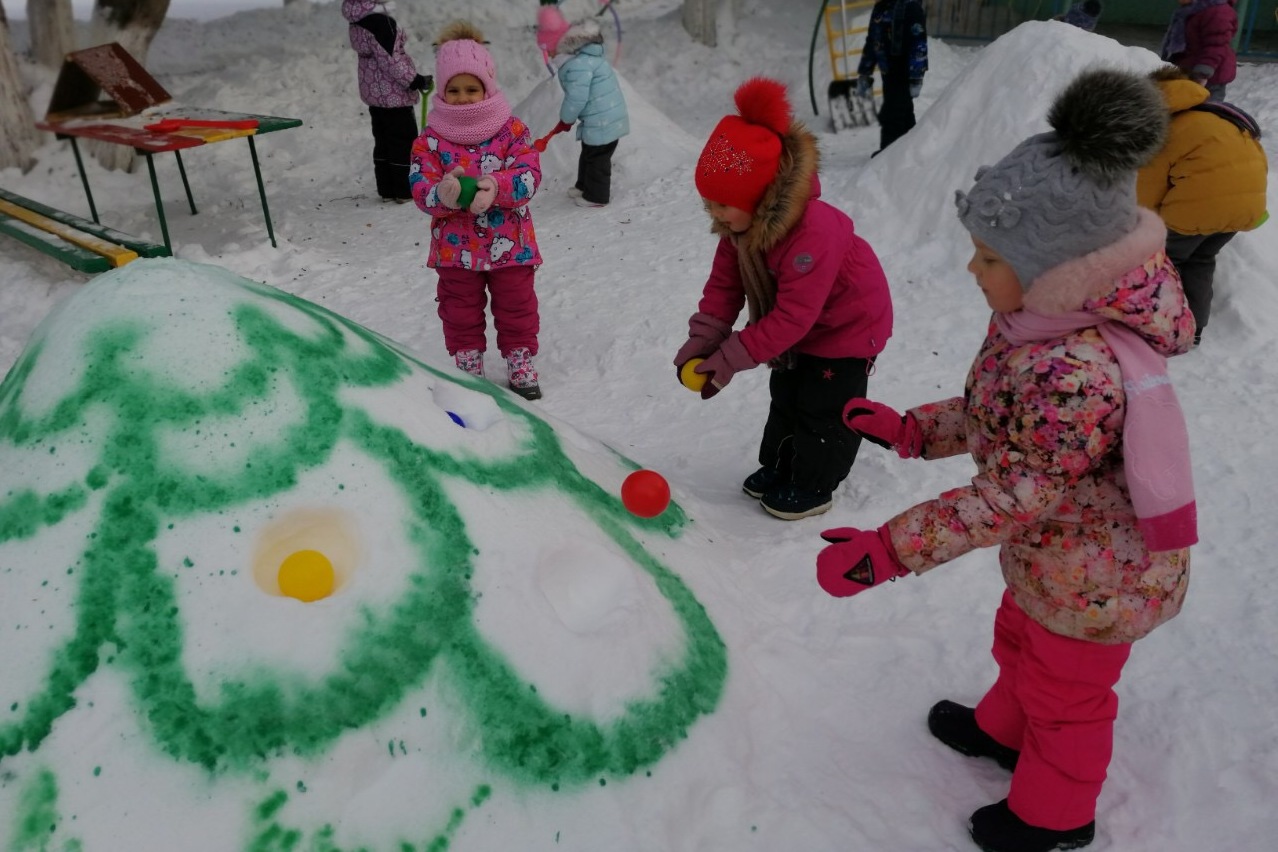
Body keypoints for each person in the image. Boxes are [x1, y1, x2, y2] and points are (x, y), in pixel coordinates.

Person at [815, 69, 1196, 852]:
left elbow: (1009, 494)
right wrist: (914, 430)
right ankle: (1003, 730)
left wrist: (888, 550)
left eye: (989, 256)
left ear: (1061, 270)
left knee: (1068, 699)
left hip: (1100, 578)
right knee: (1018, 640)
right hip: (1058, 561)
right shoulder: (1039, 328)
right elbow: (1003, 420)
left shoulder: (1077, 369)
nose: (972, 270)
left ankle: (1057, 815)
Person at [673, 77, 893, 521]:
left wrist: (732, 356)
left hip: (847, 329)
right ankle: (783, 467)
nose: (714, 214)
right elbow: (723, 288)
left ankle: (814, 484)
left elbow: (795, 315)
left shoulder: (814, 233)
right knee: (787, 392)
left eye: (722, 204)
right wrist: (705, 338)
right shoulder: (739, 229)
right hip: (800, 330)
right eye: (709, 204)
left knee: (823, 406)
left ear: (758, 196)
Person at [409, 21, 545, 400]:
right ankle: (468, 360)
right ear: (442, 90)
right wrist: (444, 194)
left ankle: (519, 356)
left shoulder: (511, 130)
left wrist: (496, 186)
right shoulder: (430, 140)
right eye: (454, 90)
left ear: (488, 85)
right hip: (456, 249)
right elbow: (420, 189)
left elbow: (529, 175)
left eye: (472, 88)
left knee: (517, 304)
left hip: (511, 244)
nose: (464, 97)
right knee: (459, 308)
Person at [1137, 65, 1268, 346]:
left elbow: (1148, 187)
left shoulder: (1167, 128)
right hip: (1246, 209)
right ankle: (1194, 329)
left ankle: (1160, 330)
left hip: (1199, 209)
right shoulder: (1217, 115)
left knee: (1161, 265)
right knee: (1200, 259)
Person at [342, 0, 432, 202]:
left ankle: (387, 189)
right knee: (403, 141)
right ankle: (404, 191)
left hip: (375, 94)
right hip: (394, 95)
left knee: (383, 141)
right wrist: (415, 80)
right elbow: (392, 60)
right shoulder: (381, 23)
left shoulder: (358, 21)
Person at [553, 17, 630, 208]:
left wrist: (566, 119)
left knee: (597, 160)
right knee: (589, 153)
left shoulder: (579, 65)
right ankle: (583, 186)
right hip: (603, 120)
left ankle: (597, 197)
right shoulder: (591, 60)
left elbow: (577, 97)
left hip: (602, 122)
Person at [856, 0, 928, 155]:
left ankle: (888, 154)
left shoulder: (910, 7)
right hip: (887, 71)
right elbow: (872, 42)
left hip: (903, 70)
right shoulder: (880, 8)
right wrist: (865, 72)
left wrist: (916, 75)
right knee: (904, 112)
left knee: (892, 114)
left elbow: (918, 41)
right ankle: (911, 149)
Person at [1159, 0, 1238, 102]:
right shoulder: (1190, 10)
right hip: (1189, 70)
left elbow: (1216, 45)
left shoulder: (1217, 12)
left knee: (1207, 110)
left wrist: (1203, 73)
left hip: (1211, 76)